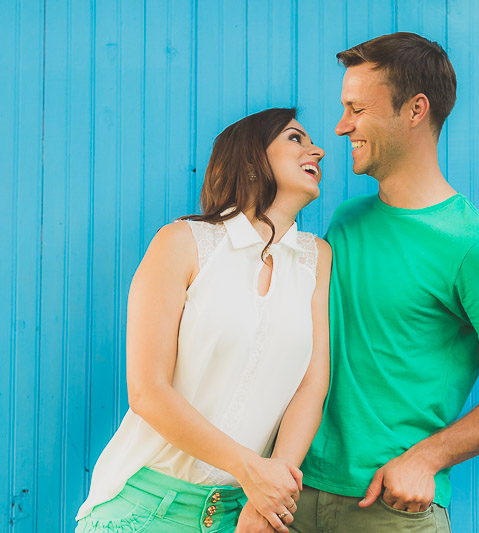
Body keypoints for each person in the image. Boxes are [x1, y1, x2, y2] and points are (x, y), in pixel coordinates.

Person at [240, 32, 479, 533]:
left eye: (357, 109)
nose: (342, 128)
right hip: (290, 494)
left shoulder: (474, 248)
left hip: (386, 510)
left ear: (415, 110)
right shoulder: (346, 219)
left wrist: (429, 457)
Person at [75, 108, 331, 533]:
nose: (317, 150)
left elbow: (311, 385)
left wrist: (271, 493)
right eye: (294, 138)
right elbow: (146, 391)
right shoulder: (182, 242)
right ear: (251, 160)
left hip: (239, 515)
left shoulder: (315, 258)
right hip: (145, 508)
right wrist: (251, 470)